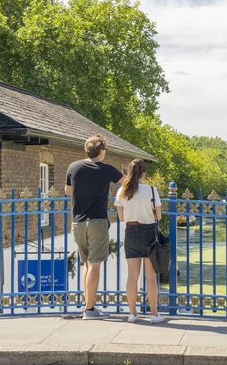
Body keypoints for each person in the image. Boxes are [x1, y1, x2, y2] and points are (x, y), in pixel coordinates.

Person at [65, 134, 123, 320]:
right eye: (105, 149)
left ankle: (86, 305)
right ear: (101, 151)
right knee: (95, 265)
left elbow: (67, 191)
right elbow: (127, 182)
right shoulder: (106, 169)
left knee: (86, 264)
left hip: (77, 222)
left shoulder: (73, 167)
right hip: (97, 221)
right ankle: (90, 310)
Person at [114, 159, 164, 324]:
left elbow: (121, 217)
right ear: (144, 174)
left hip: (130, 232)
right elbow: (159, 216)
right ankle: (154, 314)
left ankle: (132, 314)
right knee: (150, 277)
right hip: (148, 232)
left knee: (132, 276)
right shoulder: (151, 190)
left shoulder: (122, 190)